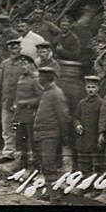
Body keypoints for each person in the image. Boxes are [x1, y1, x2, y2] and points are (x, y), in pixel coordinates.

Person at [33, 65, 71, 203]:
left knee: (50, 165)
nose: (39, 79)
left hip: (50, 135)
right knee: (45, 164)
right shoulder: (47, 92)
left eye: (41, 76)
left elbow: (63, 116)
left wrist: (64, 136)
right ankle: (50, 192)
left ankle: (55, 196)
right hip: (43, 134)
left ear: (46, 78)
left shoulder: (56, 93)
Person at [0, 37, 24, 164]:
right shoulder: (4, 64)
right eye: (11, 47)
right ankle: (9, 153)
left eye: (16, 47)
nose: (14, 50)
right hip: (6, 101)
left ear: (20, 48)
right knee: (7, 128)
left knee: (21, 128)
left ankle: (23, 155)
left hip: (21, 102)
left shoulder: (26, 63)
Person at [13, 54, 42, 170]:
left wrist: (27, 102)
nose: (23, 67)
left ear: (31, 65)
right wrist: (15, 109)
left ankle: (36, 165)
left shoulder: (35, 80)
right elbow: (17, 97)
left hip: (31, 115)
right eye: (21, 64)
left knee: (33, 142)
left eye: (25, 64)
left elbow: (42, 97)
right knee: (20, 141)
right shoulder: (21, 79)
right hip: (21, 115)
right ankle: (23, 164)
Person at [74, 76, 104, 173]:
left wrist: (101, 134)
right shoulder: (81, 103)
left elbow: (103, 120)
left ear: (98, 89)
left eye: (93, 87)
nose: (91, 90)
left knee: (96, 166)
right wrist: (77, 125)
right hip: (83, 139)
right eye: (88, 87)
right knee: (83, 166)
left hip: (95, 139)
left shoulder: (102, 103)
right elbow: (76, 118)